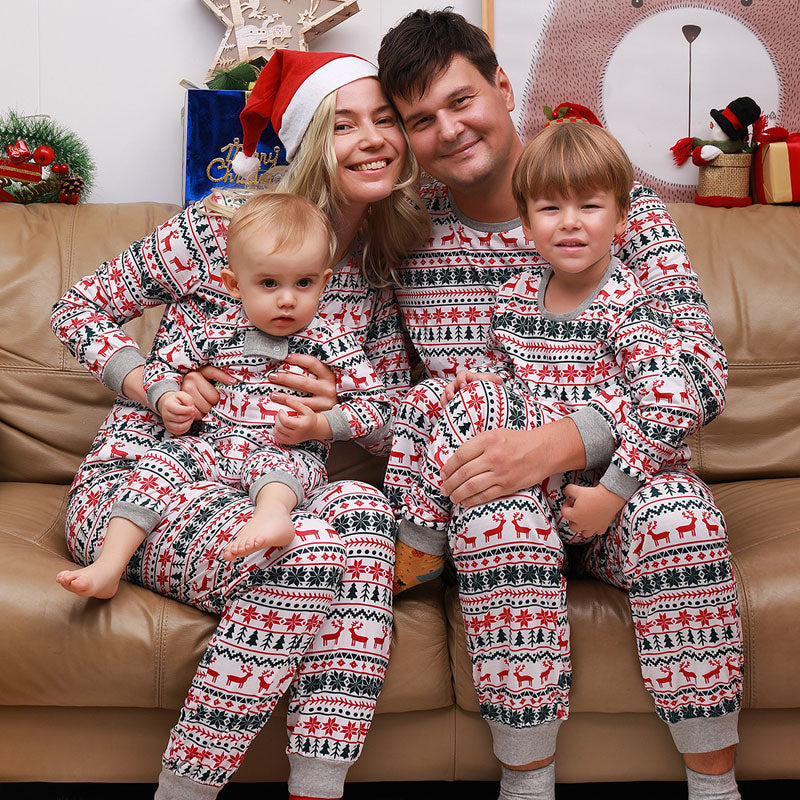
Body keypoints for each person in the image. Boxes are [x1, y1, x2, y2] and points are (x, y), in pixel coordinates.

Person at [377, 10, 742, 800]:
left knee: (683, 515)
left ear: (503, 86)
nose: (448, 130)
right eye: (420, 120)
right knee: (496, 520)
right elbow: (402, 394)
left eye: (461, 100)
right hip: (494, 495)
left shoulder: (616, 206)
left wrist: (561, 444)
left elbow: (700, 373)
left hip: (625, 478)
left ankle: (716, 782)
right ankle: (526, 782)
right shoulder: (406, 232)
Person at [51, 50, 429, 800]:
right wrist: (157, 385)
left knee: (361, 511)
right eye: (345, 123)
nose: (374, 138)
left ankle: (316, 786)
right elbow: (78, 309)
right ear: (312, 139)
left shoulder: (368, 274)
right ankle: (186, 789)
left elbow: (390, 419)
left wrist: (333, 418)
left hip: (271, 483)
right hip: (150, 478)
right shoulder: (215, 234)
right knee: (312, 554)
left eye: (385, 119)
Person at [56, 192, 391, 598]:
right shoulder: (215, 329)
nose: (287, 299)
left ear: (324, 282)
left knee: (303, 482)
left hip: (280, 449)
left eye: (303, 283)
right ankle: (109, 563)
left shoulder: (333, 341)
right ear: (234, 284)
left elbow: (381, 407)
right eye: (269, 284)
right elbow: (165, 363)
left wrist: (322, 422)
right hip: (208, 444)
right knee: (163, 462)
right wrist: (164, 395)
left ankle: (271, 515)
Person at [394, 120, 699, 553]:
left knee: (685, 515)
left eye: (589, 207)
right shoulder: (514, 297)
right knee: (428, 397)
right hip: (537, 494)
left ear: (620, 220)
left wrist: (612, 493)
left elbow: (671, 403)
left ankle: (421, 546)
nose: (570, 223)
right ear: (527, 224)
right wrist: (484, 385)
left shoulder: (628, 301)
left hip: (605, 493)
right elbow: (507, 375)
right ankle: (417, 538)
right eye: (551, 209)